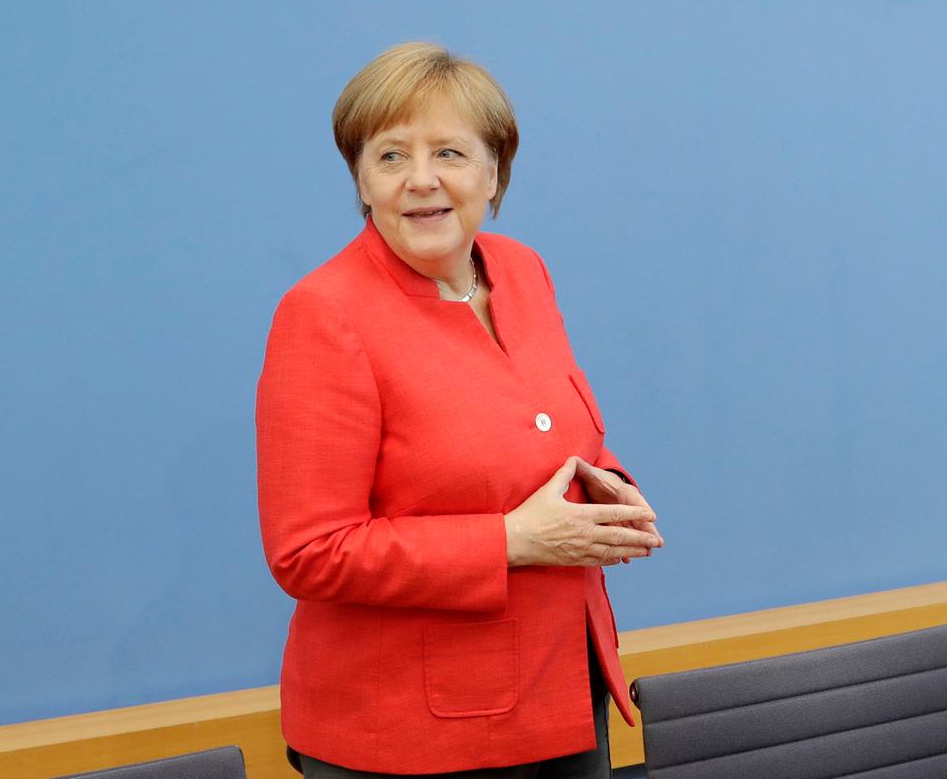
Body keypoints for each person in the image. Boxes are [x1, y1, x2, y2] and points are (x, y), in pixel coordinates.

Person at [256, 42, 662, 778]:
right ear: (360, 179)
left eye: (449, 152)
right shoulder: (323, 314)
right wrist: (509, 540)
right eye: (389, 157)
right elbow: (309, 552)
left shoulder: (522, 270)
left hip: (560, 692)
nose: (421, 181)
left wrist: (605, 488)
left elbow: (544, 432)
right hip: (415, 734)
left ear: (494, 172)